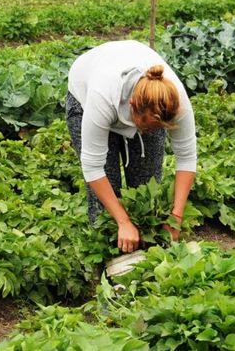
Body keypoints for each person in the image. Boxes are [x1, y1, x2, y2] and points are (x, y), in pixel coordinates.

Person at [66, 40, 197, 254]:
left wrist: (176, 217)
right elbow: (93, 168)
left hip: (138, 98)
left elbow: (187, 158)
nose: (146, 132)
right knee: (106, 205)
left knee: (147, 192)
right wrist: (123, 222)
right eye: (146, 126)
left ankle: (147, 259)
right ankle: (111, 267)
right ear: (133, 107)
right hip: (85, 93)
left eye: (157, 128)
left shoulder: (175, 101)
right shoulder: (103, 96)